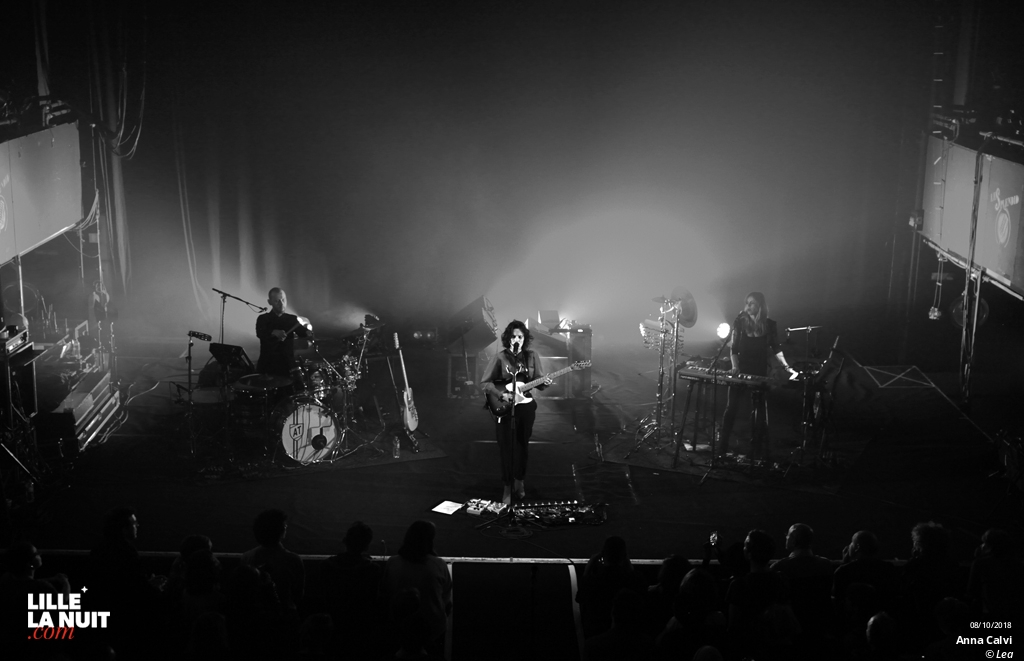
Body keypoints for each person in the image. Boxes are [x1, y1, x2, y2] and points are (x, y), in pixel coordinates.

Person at [480, 320, 552, 504]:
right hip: (504, 409)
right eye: (513, 336)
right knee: (506, 447)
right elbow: (485, 383)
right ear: (507, 338)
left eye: (520, 336)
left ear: (525, 338)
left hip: (526, 407)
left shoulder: (532, 356)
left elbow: (540, 382)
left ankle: (519, 481)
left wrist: (545, 382)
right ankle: (506, 487)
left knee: (522, 446)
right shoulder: (499, 357)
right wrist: (500, 395)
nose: (517, 339)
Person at [718, 292, 794, 460]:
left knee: (758, 411)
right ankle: (722, 446)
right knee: (731, 408)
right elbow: (734, 349)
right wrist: (735, 366)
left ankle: (756, 449)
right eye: (747, 303)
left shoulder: (769, 325)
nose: (748, 306)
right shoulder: (740, 323)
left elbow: (776, 348)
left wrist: (786, 366)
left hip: (759, 371)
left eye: (752, 303)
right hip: (741, 370)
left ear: (760, 305)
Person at [256, 287, 309, 378]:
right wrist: (273, 332)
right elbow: (260, 333)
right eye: (277, 301)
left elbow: (303, 333)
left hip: (288, 366)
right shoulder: (263, 318)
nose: (282, 304)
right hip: (268, 366)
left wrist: (308, 331)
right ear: (270, 302)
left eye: (283, 300)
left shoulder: (292, 319)